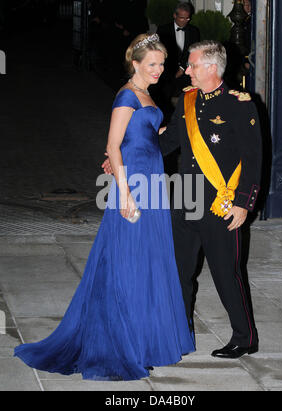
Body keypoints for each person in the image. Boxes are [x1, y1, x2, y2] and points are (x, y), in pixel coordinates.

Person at [14, 33, 195, 381]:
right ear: (136, 63)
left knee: (149, 261)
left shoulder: (147, 94)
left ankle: (143, 342)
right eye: (152, 64)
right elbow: (112, 144)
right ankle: (122, 343)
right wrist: (124, 191)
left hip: (152, 180)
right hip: (135, 186)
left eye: (161, 64)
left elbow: (143, 138)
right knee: (126, 262)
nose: (159, 70)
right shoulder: (127, 95)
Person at [102, 40, 262, 359]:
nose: (186, 70)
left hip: (221, 202)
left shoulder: (239, 102)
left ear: (211, 68)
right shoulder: (189, 100)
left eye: (192, 65)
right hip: (185, 198)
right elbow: (169, 140)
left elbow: (253, 156)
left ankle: (244, 337)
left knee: (225, 272)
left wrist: (244, 203)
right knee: (178, 271)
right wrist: (126, 159)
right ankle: (181, 328)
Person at [154, 2, 200, 122]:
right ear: (174, 15)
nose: (185, 21)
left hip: (186, 73)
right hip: (168, 73)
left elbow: (193, 52)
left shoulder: (194, 31)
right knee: (165, 102)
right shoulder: (163, 29)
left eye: (188, 18)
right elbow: (160, 51)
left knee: (185, 103)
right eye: (182, 18)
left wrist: (182, 68)